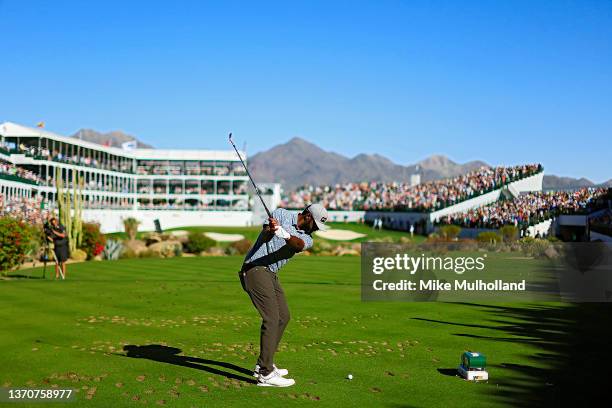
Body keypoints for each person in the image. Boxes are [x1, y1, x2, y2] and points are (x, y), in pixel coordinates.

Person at [239, 203, 328, 387]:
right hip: (255, 268)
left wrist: (285, 234)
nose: (317, 230)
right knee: (271, 318)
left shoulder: (307, 238)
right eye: (316, 225)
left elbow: (298, 245)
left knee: (284, 317)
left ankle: (265, 362)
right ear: (308, 217)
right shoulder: (280, 214)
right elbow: (264, 236)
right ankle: (265, 373)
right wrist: (271, 230)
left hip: (270, 273)